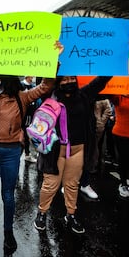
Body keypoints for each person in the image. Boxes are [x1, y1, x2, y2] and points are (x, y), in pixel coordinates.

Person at [0, 41, 63, 250]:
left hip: (11, 152)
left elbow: (46, 85)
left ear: (7, 80)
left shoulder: (23, 97)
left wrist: (53, 59)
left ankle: (8, 232)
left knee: (8, 195)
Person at [34, 74, 112, 234]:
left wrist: (122, 51)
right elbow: (44, 82)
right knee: (50, 185)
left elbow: (101, 80)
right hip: (55, 151)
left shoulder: (84, 95)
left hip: (78, 150)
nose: (68, 82)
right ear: (57, 81)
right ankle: (42, 213)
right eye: (63, 79)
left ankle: (71, 214)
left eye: (71, 78)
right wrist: (55, 60)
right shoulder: (51, 96)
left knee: (72, 185)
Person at [21, 76, 40, 163]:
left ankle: (30, 153)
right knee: (26, 134)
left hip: (32, 114)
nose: (33, 77)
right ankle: (27, 154)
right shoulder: (21, 86)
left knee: (33, 133)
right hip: (25, 115)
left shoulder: (33, 86)